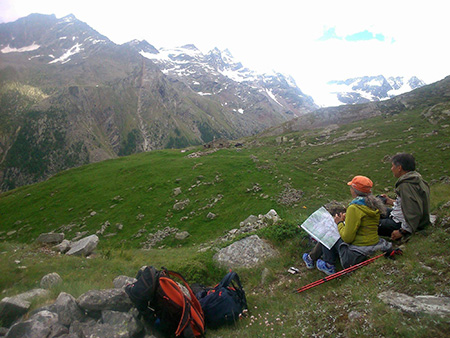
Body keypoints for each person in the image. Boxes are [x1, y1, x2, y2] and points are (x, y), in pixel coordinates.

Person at [303, 175, 392, 275]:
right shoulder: (374, 204)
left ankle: (327, 264)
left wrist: (339, 223)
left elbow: (347, 238)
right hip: (373, 243)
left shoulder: (354, 208)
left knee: (330, 231)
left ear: (354, 190)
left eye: (351, 187)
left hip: (357, 251)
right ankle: (315, 258)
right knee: (334, 230)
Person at [378, 153, 431, 241]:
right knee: (378, 210)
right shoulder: (415, 179)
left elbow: (414, 210)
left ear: (399, 168)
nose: (391, 169)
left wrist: (402, 231)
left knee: (368, 224)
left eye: (393, 166)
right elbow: (409, 202)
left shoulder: (406, 185)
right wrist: (390, 201)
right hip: (401, 217)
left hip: (401, 224)